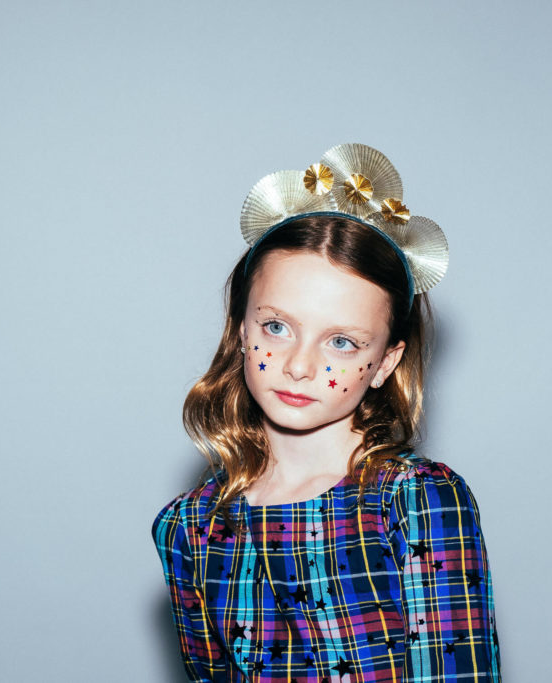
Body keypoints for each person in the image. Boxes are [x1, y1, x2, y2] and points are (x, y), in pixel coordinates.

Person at [152, 144, 500, 682]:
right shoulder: (191, 527)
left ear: (385, 363)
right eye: (276, 327)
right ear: (241, 329)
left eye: (341, 342)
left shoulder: (414, 500)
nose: (299, 366)